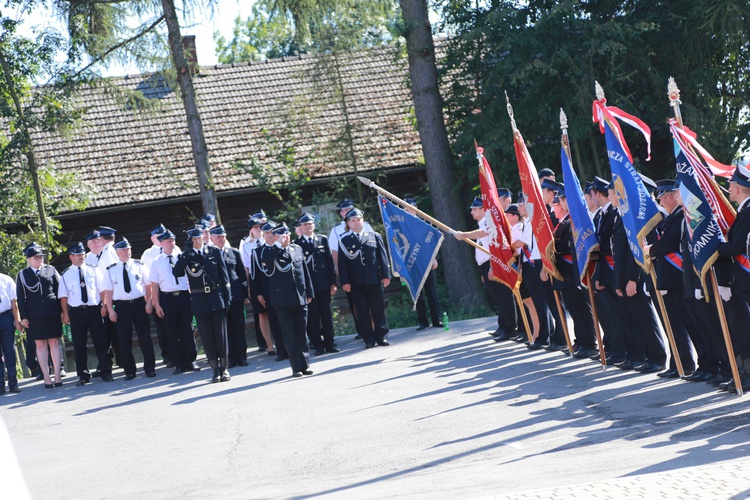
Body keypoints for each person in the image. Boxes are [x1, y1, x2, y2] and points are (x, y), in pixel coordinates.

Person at [644, 179, 698, 379]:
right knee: (673, 324)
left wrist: (651, 250)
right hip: (669, 278)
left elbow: (669, 243)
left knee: (684, 323)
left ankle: (686, 363)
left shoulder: (679, 217)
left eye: (665, 197)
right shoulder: (671, 217)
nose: (665, 200)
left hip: (676, 278)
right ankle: (678, 363)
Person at [543, 185, 599, 359]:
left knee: (581, 308)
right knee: (574, 309)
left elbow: (569, 248)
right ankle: (581, 340)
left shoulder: (571, 223)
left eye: (556, 205)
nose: (553, 209)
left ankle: (589, 342)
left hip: (571, 272)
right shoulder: (562, 224)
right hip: (563, 274)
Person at [454, 197, 517, 341]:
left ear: (483, 210)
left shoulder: (489, 223)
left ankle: (510, 328)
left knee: (504, 296)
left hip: (493, 264)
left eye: (475, 209)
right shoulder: (483, 223)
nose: (472, 212)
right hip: (486, 265)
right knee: (498, 297)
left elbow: (490, 246)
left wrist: (464, 235)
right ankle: (503, 325)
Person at [173, 226, 232, 383]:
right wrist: (186, 254)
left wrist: (227, 298)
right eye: (194, 239)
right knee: (207, 337)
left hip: (216, 297)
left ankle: (225, 368)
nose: (197, 241)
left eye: (199, 238)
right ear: (190, 241)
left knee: (221, 335)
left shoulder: (213, 252)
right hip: (199, 300)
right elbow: (177, 273)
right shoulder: (187, 256)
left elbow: (224, 277)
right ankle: (214, 370)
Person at [259, 223, 315, 377]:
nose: (286, 238)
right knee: (289, 335)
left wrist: (309, 292)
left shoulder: (296, 249)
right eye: (282, 235)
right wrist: (278, 245)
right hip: (282, 300)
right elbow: (267, 263)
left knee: (302, 333)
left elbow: (304, 272)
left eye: (288, 234)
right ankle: (296, 367)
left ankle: (306, 364)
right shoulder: (269, 251)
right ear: (275, 237)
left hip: (299, 297)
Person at [58, 242, 114, 385]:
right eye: (78, 254)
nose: (81, 257)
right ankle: (83, 375)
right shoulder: (66, 274)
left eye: (82, 254)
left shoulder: (93, 270)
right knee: (79, 344)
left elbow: (102, 290)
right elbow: (63, 296)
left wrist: (104, 306)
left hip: (94, 309)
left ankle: (106, 372)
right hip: (77, 312)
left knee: (101, 341)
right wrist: (65, 313)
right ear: (71, 256)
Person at [102, 237, 156, 380]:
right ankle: (129, 371)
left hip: (138, 304)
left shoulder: (139, 265)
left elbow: (147, 286)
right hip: (122, 306)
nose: (128, 252)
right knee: (124, 340)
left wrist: (149, 302)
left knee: (145, 337)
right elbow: (108, 291)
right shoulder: (111, 270)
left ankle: (150, 368)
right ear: (118, 252)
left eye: (129, 249)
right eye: (124, 250)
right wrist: (110, 309)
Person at [338, 208, 392, 348]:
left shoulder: (374, 236)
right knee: (362, 312)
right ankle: (368, 339)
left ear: (363, 221)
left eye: (358, 220)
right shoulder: (344, 241)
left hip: (375, 279)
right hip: (356, 283)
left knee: (378, 310)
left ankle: (382, 337)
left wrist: (386, 275)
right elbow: (342, 264)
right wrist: (345, 282)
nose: (356, 223)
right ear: (348, 223)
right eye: (353, 221)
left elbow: (383, 258)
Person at [149, 230, 200, 375]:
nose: (171, 243)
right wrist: (157, 305)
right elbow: (154, 285)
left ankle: (191, 361)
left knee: (188, 330)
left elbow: (191, 277)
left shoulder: (182, 257)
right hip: (167, 298)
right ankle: (179, 363)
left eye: (172, 241)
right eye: (168, 241)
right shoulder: (157, 261)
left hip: (183, 295)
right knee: (172, 331)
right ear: (162, 243)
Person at [16, 243, 64, 388]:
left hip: (52, 312)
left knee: (54, 343)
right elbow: (20, 297)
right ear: (29, 259)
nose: (40, 260)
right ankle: (46, 377)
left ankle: (57, 375)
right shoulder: (22, 275)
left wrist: (63, 311)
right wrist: (23, 317)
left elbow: (59, 291)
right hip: (34, 316)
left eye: (41, 257)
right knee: (40, 345)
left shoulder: (51, 270)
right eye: (36, 257)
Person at [294, 212, 340, 355]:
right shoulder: (297, 244)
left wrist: (333, 282)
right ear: (301, 227)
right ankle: (317, 344)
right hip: (309, 287)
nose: (308, 226)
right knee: (312, 316)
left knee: (326, 314)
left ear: (314, 225)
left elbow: (329, 262)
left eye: (310, 224)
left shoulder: (322, 240)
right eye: (305, 224)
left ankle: (329, 343)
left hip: (324, 284)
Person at [329, 198, 374, 339]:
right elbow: (334, 251)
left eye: (349, 209)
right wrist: (337, 270)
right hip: (350, 272)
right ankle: (361, 329)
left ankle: (375, 328)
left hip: (368, 271)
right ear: (341, 214)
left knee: (372, 301)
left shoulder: (365, 225)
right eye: (344, 211)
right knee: (355, 301)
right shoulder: (336, 230)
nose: (347, 212)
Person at [209, 225, 250, 368]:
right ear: (212, 238)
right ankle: (230, 357)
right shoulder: (208, 254)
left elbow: (241, 275)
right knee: (225, 329)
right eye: (218, 237)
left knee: (239, 327)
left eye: (223, 236)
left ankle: (242, 355)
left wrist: (245, 294)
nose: (221, 239)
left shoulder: (233, 253)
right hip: (219, 298)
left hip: (236, 296)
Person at [403, 197, 443, 331]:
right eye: (406, 209)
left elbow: (432, 243)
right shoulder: (402, 226)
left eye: (410, 208)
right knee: (417, 293)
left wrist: (434, 258)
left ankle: (437, 319)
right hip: (412, 263)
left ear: (416, 209)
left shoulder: (424, 223)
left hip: (427, 261)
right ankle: (423, 321)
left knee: (432, 292)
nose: (408, 211)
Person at [250, 220, 287, 361]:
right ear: (263, 236)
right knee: (275, 322)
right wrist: (258, 294)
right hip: (268, 293)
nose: (269, 235)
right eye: (266, 232)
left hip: (284, 291)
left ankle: (291, 348)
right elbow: (254, 276)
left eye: (272, 232)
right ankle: (281, 350)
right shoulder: (257, 252)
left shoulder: (282, 247)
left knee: (286, 321)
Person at [239, 210, 273, 352]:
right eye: (255, 227)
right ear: (251, 230)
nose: (258, 230)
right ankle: (268, 344)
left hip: (271, 278)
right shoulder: (246, 244)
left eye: (260, 227)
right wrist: (247, 288)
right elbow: (246, 268)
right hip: (255, 280)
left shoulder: (269, 239)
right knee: (261, 313)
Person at [141, 223, 173, 368]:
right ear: (152, 238)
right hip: (157, 290)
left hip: (173, 288)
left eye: (163, 236)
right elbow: (147, 280)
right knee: (162, 326)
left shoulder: (174, 247)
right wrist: (150, 300)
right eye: (158, 237)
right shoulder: (148, 254)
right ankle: (167, 354)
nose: (161, 239)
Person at [0, 271, 22, 394]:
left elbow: (14, 302)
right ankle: (0, 385)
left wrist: (17, 321)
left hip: (6, 317)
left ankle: (13, 383)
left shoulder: (6, 279)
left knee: (9, 350)